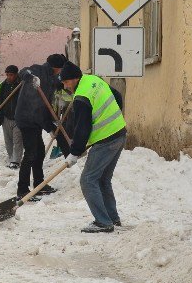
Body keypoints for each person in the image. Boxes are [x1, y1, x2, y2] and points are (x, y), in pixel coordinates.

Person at [59, 61, 127, 233]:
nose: (65, 86)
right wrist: (113, 117)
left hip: (107, 140)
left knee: (88, 180)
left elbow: (83, 128)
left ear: (74, 79)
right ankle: (112, 218)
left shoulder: (81, 97)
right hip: (119, 132)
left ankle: (103, 222)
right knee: (103, 179)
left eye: (66, 82)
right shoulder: (93, 80)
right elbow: (117, 96)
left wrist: (74, 152)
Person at [14, 53, 67, 199]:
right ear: (55, 68)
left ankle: (39, 184)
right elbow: (23, 71)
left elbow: (57, 85)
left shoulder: (51, 77)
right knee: (30, 154)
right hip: (27, 119)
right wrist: (31, 77)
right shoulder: (37, 70)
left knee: (39, 152)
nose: (60, 72)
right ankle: (22, 190)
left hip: (36, 120)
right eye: (60, 69)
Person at [0, 65, 23, 169]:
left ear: (16, 75)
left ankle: (16, 161)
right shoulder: (2, 86)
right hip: (6, 117)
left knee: (17, 140)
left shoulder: (21, 85)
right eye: (7, 75)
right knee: (8, 140)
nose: (9, 77)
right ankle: (11, 158)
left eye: (11, 75)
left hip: (18, 118)